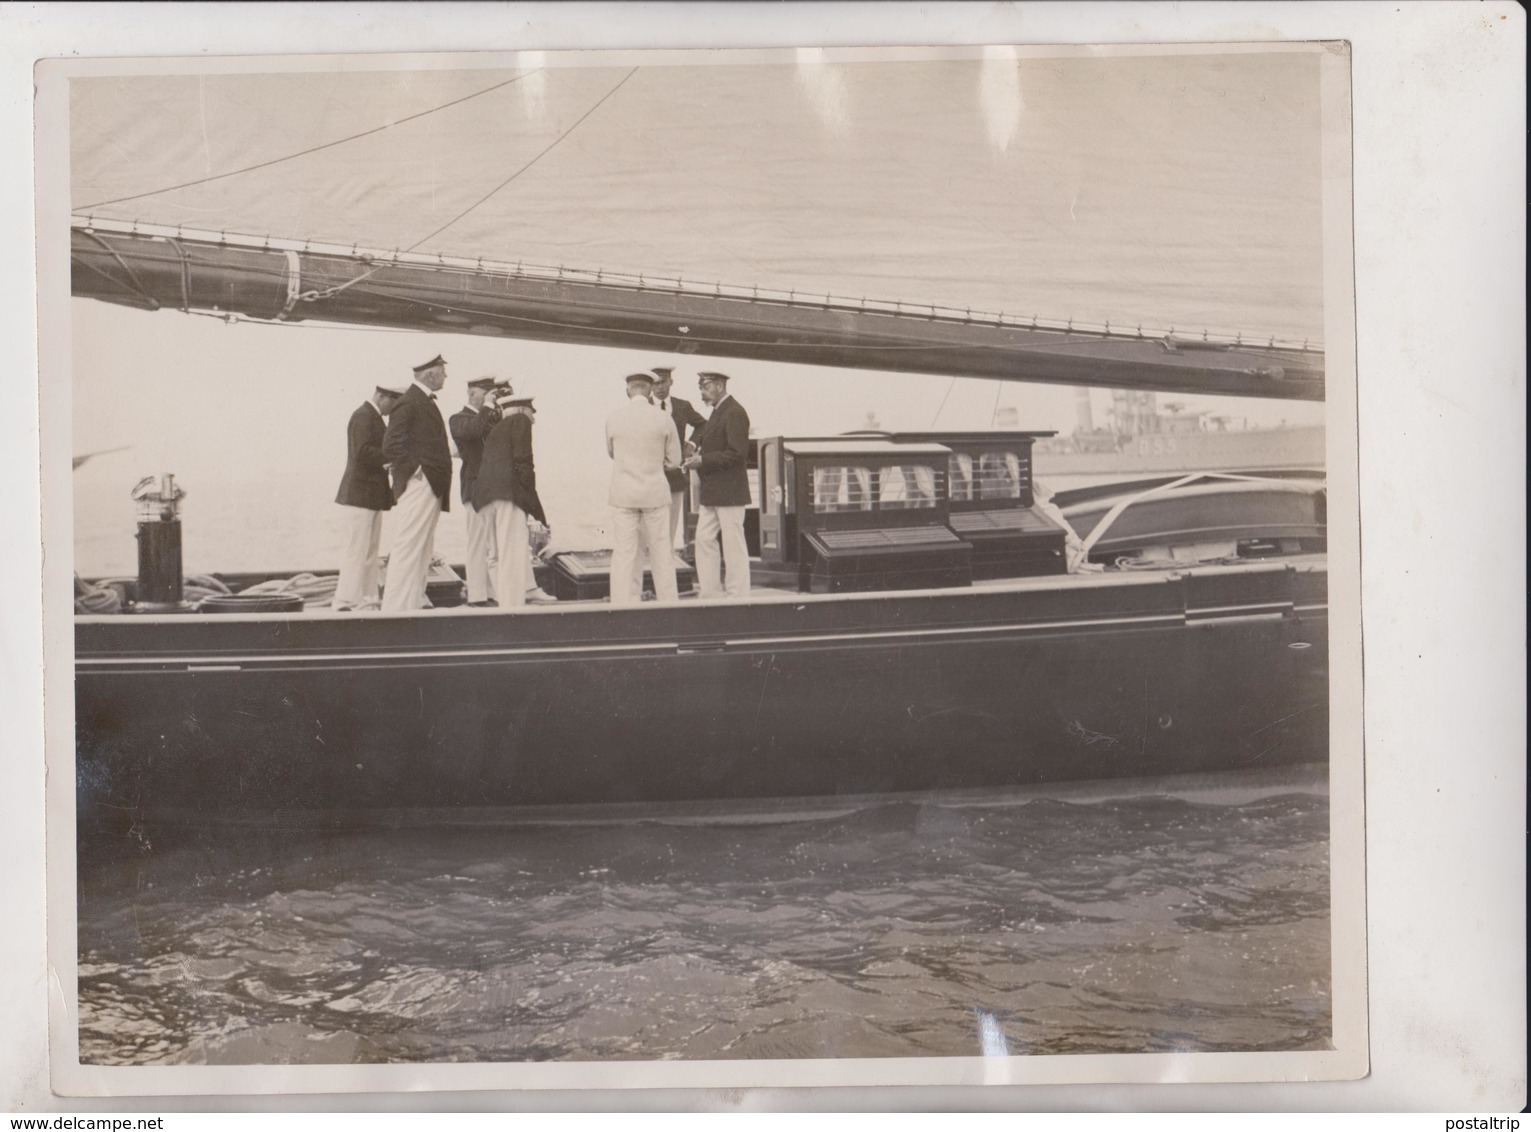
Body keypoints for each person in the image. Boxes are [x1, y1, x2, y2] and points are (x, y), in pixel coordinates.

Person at [381, 354, 452, 612]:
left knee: (422, 546)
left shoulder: (421, 401)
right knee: (410, 545)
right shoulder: (410, 402)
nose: (446, 376)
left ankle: (412, 603)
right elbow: (391, 445)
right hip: (420, 483)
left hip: (431, 484)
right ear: (429, 374)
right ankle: (396, 609)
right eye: (442, 371)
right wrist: (417, 471)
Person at [606, 372, 681, 606]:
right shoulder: (664, 419)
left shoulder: (613, 419)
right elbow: (675, 461)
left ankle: (623, 604)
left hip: (624, 495)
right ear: (650, 391)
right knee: (661, 551)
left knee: (624, 553)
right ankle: (668, 604)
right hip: (655, 494)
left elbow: (611, 452)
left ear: (628, 390)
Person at [473, 393, 551, 607]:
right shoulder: (520, 421)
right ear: (522, 410)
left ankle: (503, 602)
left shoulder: (497, 429)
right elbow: (523, 462)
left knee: (496, 553)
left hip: (484, 497)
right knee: (513, 551)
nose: (533, 419)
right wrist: (534, 505)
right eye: (531, 413)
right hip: (508, 495)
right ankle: (513, 607)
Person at [331, 384, 404, 610]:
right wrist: (393, 457)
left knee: (370, 551)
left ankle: (365, 598)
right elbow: (361, 451)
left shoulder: (371, 417)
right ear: (382, 397)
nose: (393, 410)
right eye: (393, 403)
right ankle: (345, 601)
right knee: (357, 551)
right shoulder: (363, 416)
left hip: (369, 496)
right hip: (360, 496)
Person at [681, 371, 751, 599]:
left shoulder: (734, 412)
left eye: (705, 386)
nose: (701, 391)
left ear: (720, 385)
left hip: (730, 492)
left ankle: (738, 595)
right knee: (703, 539)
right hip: (713, 492)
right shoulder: (719, 413)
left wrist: (703, 460)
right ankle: (711, 592)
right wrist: (695, 448)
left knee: (733, 545)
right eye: (700, 386)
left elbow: (737, 454)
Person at [450, 376, 505, 606]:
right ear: (473, 394)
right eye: (487, 393)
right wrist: (489, 407)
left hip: (494, 488)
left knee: (495, 544)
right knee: (477, 544)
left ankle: (493, 593)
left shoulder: (489, 418)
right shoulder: (459, 419)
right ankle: (477, 596)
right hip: (474, 489)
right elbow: (473, 432)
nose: (492, 398)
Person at [651, 366, 707, 552]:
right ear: (650, 385)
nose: (660, 387)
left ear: (671, 382)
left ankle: (666, 562)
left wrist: (691, 444)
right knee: (648, 528)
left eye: (664, 382)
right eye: (656, 383)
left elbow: (703, 425)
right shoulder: (644, 407)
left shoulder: (683, 406)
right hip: (648, 477)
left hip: (674, 476)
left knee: (670, 528)